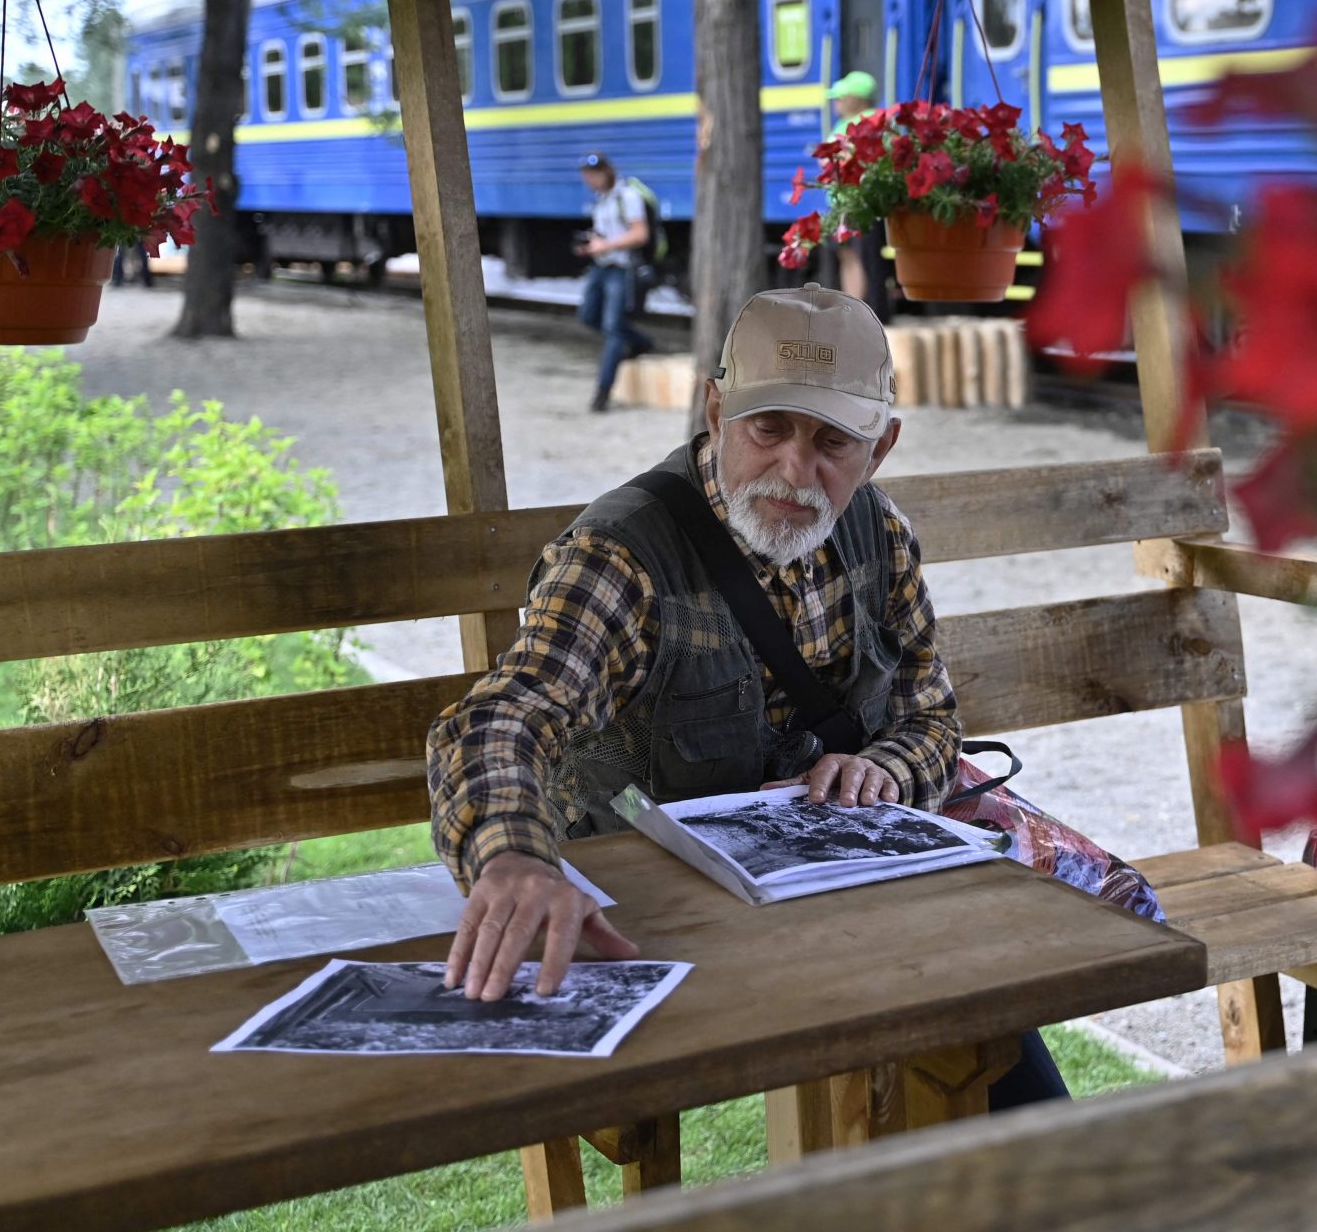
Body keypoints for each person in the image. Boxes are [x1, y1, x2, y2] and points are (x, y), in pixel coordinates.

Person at [423, 285, 1066, 1111]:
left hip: (833, 911)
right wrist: (512, 857)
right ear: (716, 408)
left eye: (832, 440)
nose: (795, 471)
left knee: (994, 1041)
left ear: (881, 447)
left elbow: (931, 718)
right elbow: (501, 719)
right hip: (659, 928)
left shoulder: (880, 534)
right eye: (769, 428)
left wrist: (886, 771)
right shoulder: (623, 558)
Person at [575, 152, 654, 411]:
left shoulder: (627, 196)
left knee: (613, 328)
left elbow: (640, 234)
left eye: (594, 175)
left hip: (621, 268)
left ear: (607, 171)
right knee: (587, 315)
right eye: (587, 176)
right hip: (601, 266)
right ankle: (642, 342)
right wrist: (590, 246)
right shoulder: (603, 199)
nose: (590, 181)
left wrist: (606, 245)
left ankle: (602, 393)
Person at [822, 71, 893, 318]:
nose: (836, 102)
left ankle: (864, 313)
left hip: (859, 202)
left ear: (859, 99)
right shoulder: (848, 122)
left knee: (862, 258)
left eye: (842, 97)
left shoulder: (870, 122)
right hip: (843, 202)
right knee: (849, 255)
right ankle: (852, 311)